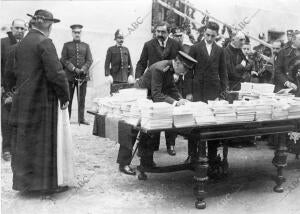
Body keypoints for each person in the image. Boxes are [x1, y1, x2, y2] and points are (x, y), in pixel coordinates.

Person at [4, 9, 70, 193]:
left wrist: (13, 94)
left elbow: (8, 77)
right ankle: (45, 186)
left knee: (23, 144)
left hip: (21, 104)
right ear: (45, 24)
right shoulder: (45, 43)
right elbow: (56, 74)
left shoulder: (18, 45)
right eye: (51, 24)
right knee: (43, 142)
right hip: (42, 103)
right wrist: (64, 96)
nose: (51, 28)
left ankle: (24, 185)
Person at [136, 51, 197, 169]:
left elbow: (171, 88)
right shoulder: (161, 69)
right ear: (178, 63)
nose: (185, 72)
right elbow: (157, 94)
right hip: (141, 96)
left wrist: (181, 99)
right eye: (185, 69)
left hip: (151, 97)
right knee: (146, 129)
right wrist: (175, 103)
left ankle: (147, 161)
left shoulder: (170, 68)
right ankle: (142, 162)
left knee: (154, 128)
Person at [135, 21, 182, 156]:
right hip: (153, 86)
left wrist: (176, 74)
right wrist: (138, 78)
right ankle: (151, 147)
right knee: (153, 116)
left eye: (163, 32)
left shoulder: (175, 44)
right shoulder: (149, 44)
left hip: (170, 84)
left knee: (172, 114)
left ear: (168, 33)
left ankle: (171, 144)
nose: (160, 34)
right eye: (158, 32)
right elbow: (142, 62)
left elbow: (180, 62)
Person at [185, 21, 228, 167]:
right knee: (195, 123)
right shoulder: (195, 48)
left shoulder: (220, 50)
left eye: (213, 36)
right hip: (197, 91)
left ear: (217, 36)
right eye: (207, 35)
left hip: (213, 92)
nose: (209, 38)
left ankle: (212, 156)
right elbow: (188, 72)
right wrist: (189, 92)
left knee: (212, 124)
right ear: (204, 33)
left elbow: (223, 72)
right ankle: (192, 155)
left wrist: (222, 92)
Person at [1, 19, 26, 161]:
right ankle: (6, 149)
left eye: (23, 28)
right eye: (17, 28)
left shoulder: (27, 44)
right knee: (6, 120)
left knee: (21, 119)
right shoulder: (3, 43)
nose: (20, 31)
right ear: (11, 28)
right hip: (7, 89)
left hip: (23, 88)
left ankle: (19, 149)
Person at [61, 24, 93, 125]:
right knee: (68, 98)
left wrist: (83, 69)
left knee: (81, 98)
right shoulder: (67, 45)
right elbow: (63, 59)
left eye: (79, 32)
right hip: (70, 76)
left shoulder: (86, 46)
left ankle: (81, 119)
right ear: (72, 33)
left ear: (81, 33)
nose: (77, 34)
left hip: (82, 77)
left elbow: (89, 60)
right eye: (75, 32)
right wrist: (73, 68)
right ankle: (67, 118)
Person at [275, 31, 300, 96]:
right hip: (286, 88)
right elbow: (278, 71)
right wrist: (287, 83)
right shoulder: (283, 52)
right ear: (294, 39)